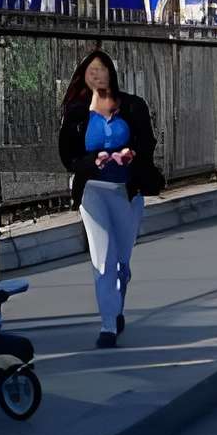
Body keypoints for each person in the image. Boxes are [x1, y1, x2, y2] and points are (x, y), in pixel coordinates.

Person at [57, 50, 162, 346]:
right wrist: (93, 162)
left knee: (120, 264)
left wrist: (132, 155)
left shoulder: (132, 105)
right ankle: (107, 325)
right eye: (90, 70)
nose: (96, 75)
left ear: (111, 74)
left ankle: (116, 307)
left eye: (101, 69)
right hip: (92, 192)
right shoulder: (76, 112)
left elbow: (147, 143)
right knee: (102, 260)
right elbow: (68, 155)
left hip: (126, 192)